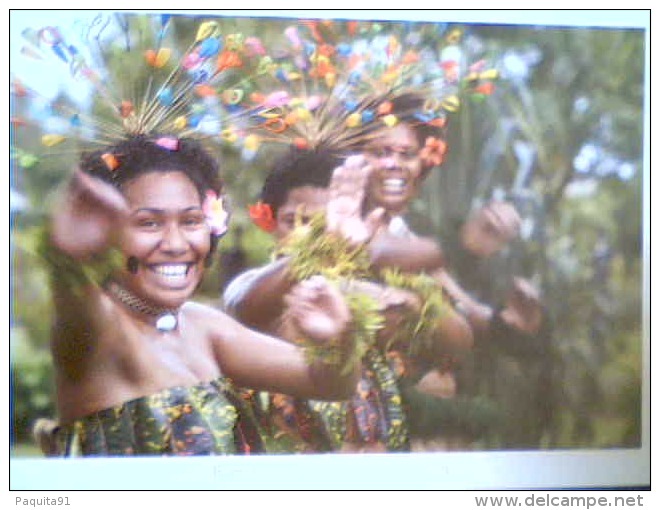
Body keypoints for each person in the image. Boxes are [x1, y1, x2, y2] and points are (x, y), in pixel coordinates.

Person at [38, 135, 359, 456]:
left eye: (191, 220)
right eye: (149, 223)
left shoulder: (203, 326)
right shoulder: (104, 330)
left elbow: (329, 383)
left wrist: (339, 340)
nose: (176, 244)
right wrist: (69, 263)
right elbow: (76, 311)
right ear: (105, 233)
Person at [224, 145, 473, 452]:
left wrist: (412, 304)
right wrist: (325, 245)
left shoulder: (383, 289)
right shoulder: (261, 289)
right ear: (269, 220)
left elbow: (458, 341)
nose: (309, 236)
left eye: (322, 224)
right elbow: (241, 303)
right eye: (295, 222)